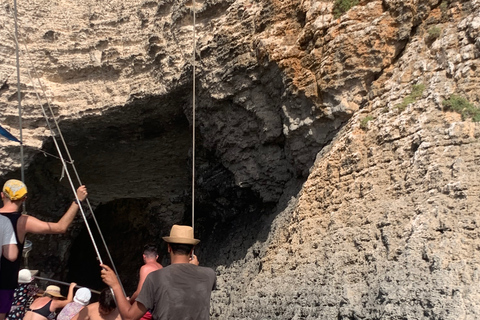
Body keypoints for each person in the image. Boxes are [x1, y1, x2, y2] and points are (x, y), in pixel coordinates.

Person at [0, 179, 88, 320]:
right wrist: (77, 200)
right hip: (4, 282)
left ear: (2, 195)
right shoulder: (23, 221)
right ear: (24, 199)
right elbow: (60, 227)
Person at [101, 224, 216, 320]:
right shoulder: (210, 274)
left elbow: (129, 317)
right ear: (191, 250)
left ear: (169, 248)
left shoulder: (155, 278)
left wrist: (115, 285)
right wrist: (194, 267)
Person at [129, 244, 163, 320]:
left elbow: (139, 292)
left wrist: (129, 301)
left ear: (144, 256)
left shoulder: (145, 268)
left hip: (148, 310)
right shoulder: (162, 268)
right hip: (159, 308)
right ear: (157, 257)